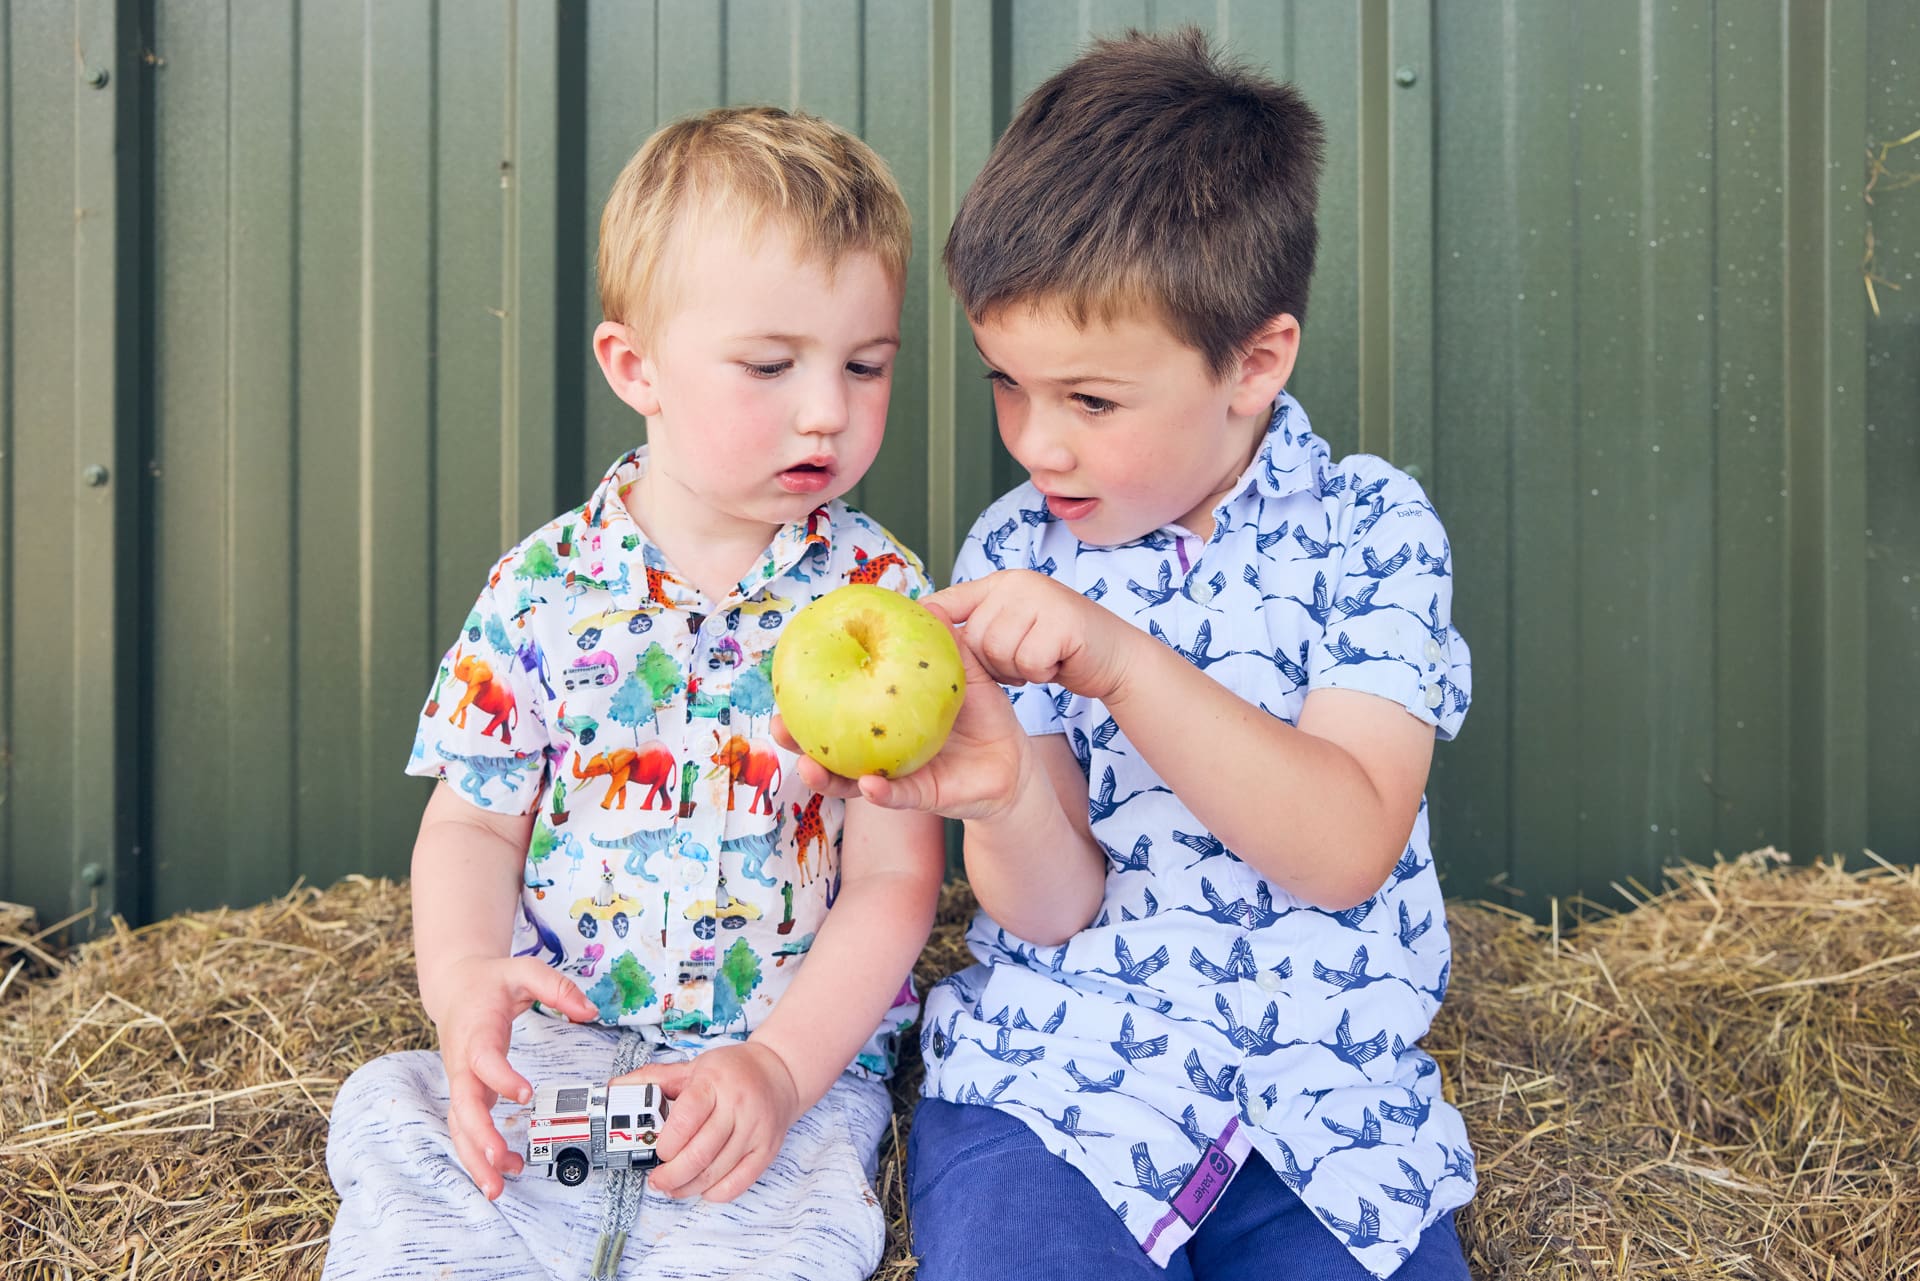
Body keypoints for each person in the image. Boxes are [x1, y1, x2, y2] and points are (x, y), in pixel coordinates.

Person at [784, 29, 1476, 1280]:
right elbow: (1056, 909)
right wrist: (999, 794)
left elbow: (1344, 845)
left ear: (1254, 364)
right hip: (1060, 1095)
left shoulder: (1374, 532)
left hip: (1326, 1128)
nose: (1038, 444)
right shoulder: (1012, 548)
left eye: (1091, 402)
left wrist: (1122, 662)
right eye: (1008, 384)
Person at [321, 105, 946, 1281]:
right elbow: (470, 822)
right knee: (409, 1144)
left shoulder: (883, 599)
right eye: (771, 365)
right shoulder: (542, 590)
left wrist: (780, 1068)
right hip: (556, 1039)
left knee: (775, 1243)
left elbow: (895, 877)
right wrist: (463, 995)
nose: (827, 409)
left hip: (780, 1066)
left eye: (865, 366)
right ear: (634, 368)